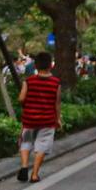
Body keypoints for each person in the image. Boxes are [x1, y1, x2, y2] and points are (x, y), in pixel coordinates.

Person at [15, 51, 62, 183]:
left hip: (29, 119)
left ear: (35, 66)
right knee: (42, 145)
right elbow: (57, 103)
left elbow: (21, 98)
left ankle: (24, 166)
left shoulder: (28, 81)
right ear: (50, 66)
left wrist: (26, 104)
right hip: (47, 120)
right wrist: (58, 119)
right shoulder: (56, 83)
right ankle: (35, 174)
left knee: (26, 142)